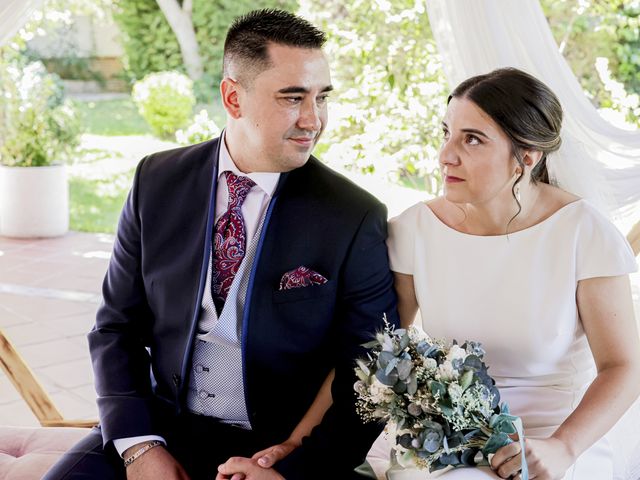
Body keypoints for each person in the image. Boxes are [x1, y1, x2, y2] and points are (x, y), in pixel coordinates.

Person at [44, 8, 398, 480]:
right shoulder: (156, 180)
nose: (314, 119)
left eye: (321, 97)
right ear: (233, 97)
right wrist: (139, 447)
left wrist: (291, 469)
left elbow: (368, 368)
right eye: (293, 98)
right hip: (160, 427)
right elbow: (115, 328)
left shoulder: (354, 215)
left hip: (281, 448)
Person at [376, 67, 640, 479]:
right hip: (447, 441)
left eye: (472, 140)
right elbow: (375, 345)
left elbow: (624, 366)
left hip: (557, 437)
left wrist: (562, 447)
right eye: (446, 133)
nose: (446, 154)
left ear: (526, 158)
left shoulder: (582, 232)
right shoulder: (414, 231)